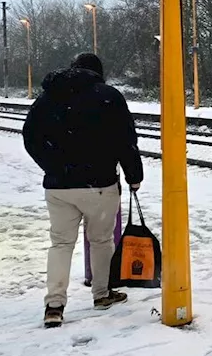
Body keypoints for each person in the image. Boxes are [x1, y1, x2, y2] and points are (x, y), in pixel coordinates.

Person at [23, 53, 143, 328]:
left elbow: (30, 136)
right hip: (99, 184)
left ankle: (54, 305)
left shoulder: (48, 97)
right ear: (97, 73)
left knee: (61, 244)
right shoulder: (108, 97)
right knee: (101, 240)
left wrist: (52, 166)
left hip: (58, 188)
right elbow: (126, 140)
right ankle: (102, 294)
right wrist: (134, 176)